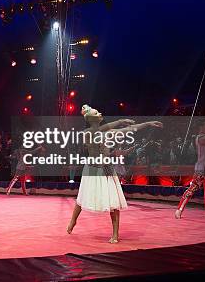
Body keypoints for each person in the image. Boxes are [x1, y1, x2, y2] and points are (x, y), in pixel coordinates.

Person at [66, 104, 163, 243]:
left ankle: (115, 234)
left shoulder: (107, 132)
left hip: (106, 168)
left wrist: (147, 123)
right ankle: (73, 221)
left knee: (113, 201)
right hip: (92, 168)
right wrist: (119, 121)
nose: (100, 113)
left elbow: (129, 129)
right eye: (96, 112)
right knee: (81, 197)